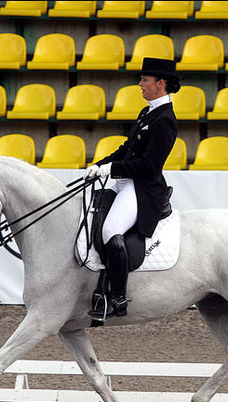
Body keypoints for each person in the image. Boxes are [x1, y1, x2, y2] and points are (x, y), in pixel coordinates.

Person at [83, 57, 180, 320]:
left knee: (111, 229)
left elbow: (150, 164)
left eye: (144, 80)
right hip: (126, 182)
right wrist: (99, 165)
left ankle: (118, 297)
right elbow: (127, 149)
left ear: (160, 84)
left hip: (142, 189)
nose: (140, 84)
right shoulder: (148, 112)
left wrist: (111, 170)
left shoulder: (165, 119)